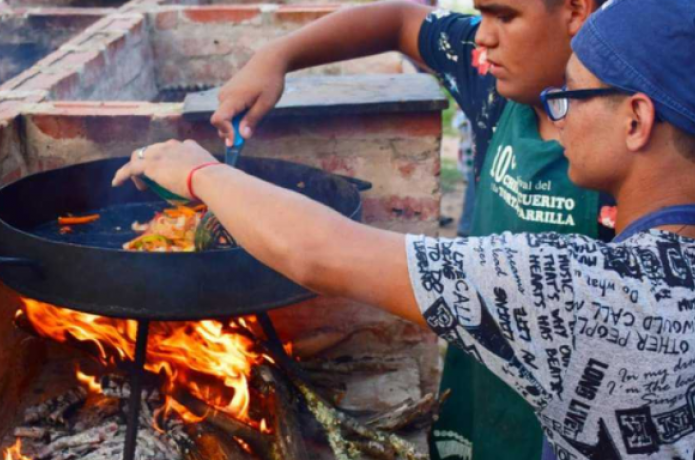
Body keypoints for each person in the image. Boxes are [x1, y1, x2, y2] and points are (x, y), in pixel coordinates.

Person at [114, 0, 695, 457]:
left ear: (636, 119)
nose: (560, 112)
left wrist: (197, 173)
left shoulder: (575, 290)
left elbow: (319, 251)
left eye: (573, 94)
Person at [207, 1, 613, 458]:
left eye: (504, 16)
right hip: (487, 385)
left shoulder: (633, 142)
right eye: (482, 14)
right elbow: (400, 20)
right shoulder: (489, 77)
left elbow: (319, 254)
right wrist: (275, 56)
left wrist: (201, 175)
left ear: (575, 10)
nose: (482, 37)